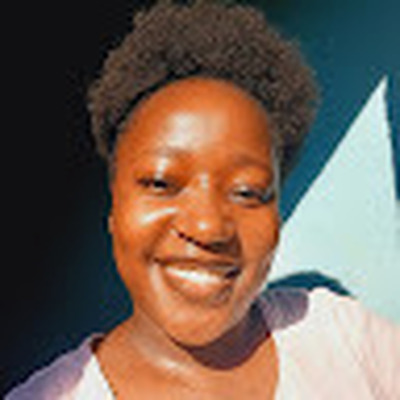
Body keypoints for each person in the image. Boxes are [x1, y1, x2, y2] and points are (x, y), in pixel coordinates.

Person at [7, 1, 399, 399]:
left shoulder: (346, 340)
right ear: (115, 208)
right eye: (161, 183)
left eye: (247, 192)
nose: (208, 227)